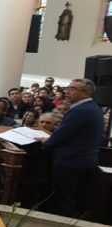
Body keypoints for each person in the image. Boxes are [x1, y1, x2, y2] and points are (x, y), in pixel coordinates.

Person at [40, 79, 105, 218]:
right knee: (75, 199)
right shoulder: (94, 108)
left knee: (64, 200)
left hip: (70, 161)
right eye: (68, 88)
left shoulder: (80, 110)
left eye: (73, 89)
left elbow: (63, 134)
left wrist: (47, 142)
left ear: (86, 92)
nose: (67, 91)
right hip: (84, 160)